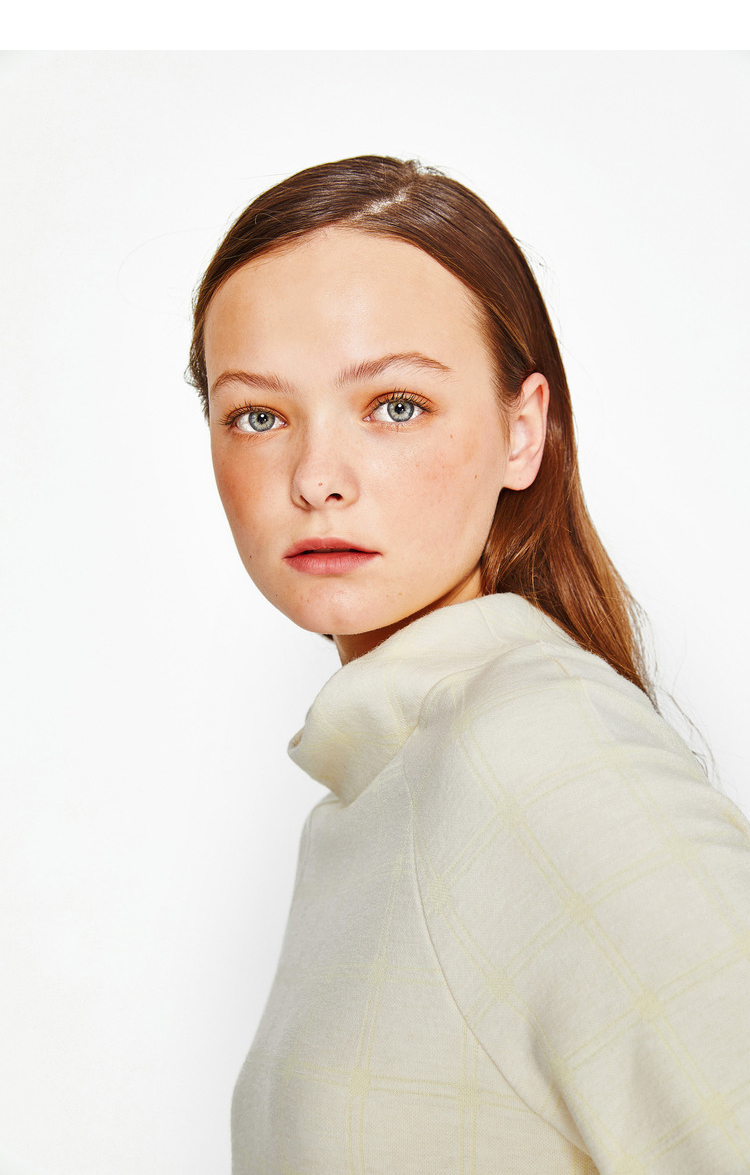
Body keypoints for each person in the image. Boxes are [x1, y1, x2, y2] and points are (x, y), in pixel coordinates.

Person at [187, 156, 750, 1174]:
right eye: (258, 415)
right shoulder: (382, 785)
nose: (317, 478)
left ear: (522, 430)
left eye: (396, 404)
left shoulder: (540, 752)